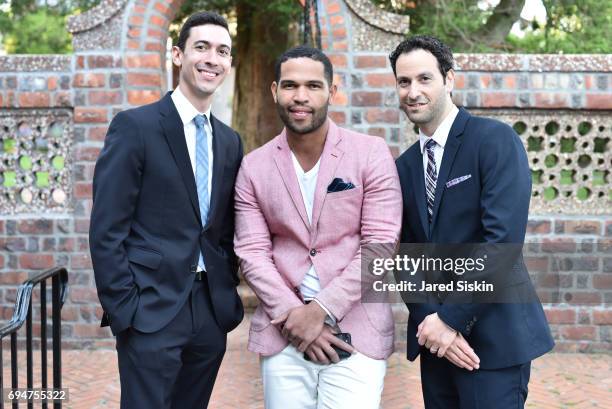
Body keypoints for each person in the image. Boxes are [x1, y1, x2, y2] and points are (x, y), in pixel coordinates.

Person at [89, 11, 243, 409]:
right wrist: (126, 310)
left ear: (229, 63)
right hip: (151, 311)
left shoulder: (229, 142)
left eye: (222, 51)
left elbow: (222, 229)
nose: (212, 58)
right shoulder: (135, 127)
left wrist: (224, 293)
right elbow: (107, 230)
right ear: (178, 55)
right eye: (202, 48)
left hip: (209, 313)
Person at [234, 45, 402, 409]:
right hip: (284, 331)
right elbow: (251, 253)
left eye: (313, 85)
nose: (301, 96)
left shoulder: (370, 153)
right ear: (274, 90)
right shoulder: (254, 167)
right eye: (291, 85)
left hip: (356, 329)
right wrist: (297, 318)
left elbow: (380, 246)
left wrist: (320, 311)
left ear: (332, 92)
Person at [391, 35, 554, 408]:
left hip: (494, 341)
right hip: (435, 344)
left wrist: (450, 320)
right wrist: (430, 320)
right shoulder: (404, 167)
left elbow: (502, 243)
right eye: (404, 82)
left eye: (424, 78)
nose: (413, 91)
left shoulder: (493, 140)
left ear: (449, 79)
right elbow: (403, 254)